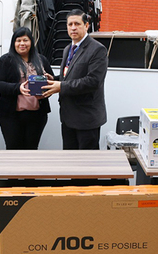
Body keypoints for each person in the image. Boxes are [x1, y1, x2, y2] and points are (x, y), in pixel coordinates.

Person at [42, 9, 108, 149]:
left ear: (86, 25)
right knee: (69, 162)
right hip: (68, 118)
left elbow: (93, 81)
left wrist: (61, 86)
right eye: (70, 24)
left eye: (77, 24)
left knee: (87, 164)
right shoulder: (68, 49)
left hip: (86, 119)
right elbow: (69, 76)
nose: (73, 27)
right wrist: (54, 79)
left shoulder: (97, 50)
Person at [0, 27, 54, 149]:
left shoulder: (41, 60)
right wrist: (18, 88)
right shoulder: (6, 60)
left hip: (37, 115)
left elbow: (52, 84)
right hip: (11, 115)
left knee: (32, 149)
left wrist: (50, 83)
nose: (22, 44)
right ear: (13, 43)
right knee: (13, 148)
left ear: (31, 42)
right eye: (18, 40)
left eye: (25, 40)